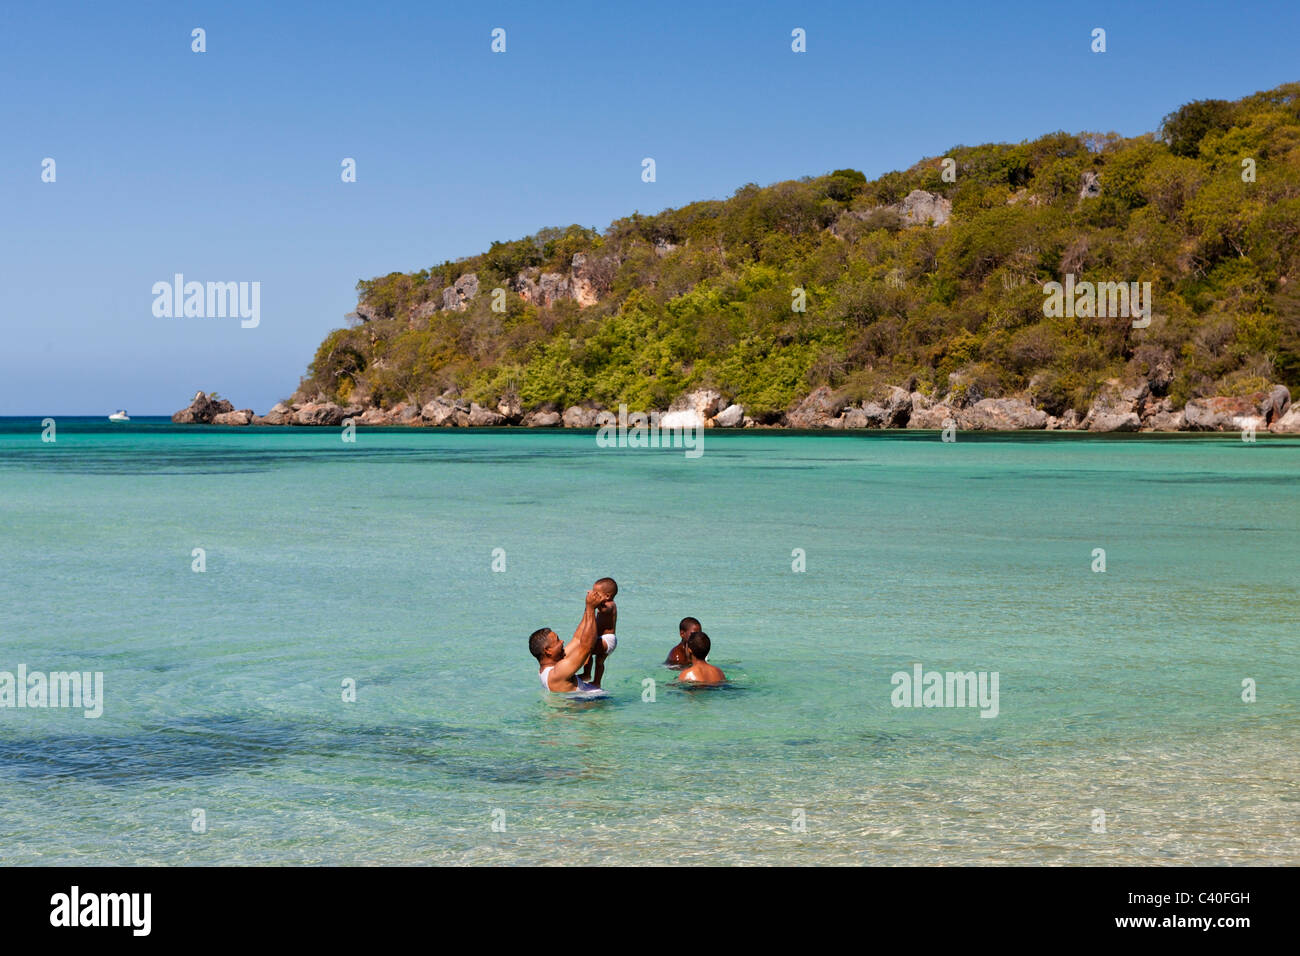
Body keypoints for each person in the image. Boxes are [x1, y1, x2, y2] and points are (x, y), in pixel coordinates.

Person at [529, 587, 606, 693]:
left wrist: (589, 606)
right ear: (548, 650)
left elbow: (577, 639)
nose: (562, 641)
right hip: (598, 707)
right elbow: (587, 647)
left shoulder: (553, 666)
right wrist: (591, 610)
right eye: (557, 641)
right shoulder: (557, 673)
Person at [578, 577, 618, 688]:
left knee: (587, 650)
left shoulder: (610, 605)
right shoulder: (606, 603)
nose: (594, 595)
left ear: (607, 596)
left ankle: (586, 674)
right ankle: (597, 682)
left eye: (597, 594)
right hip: (604, 639)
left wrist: (591, 603)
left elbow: (603, 609)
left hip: (607, 639)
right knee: (599, 662)